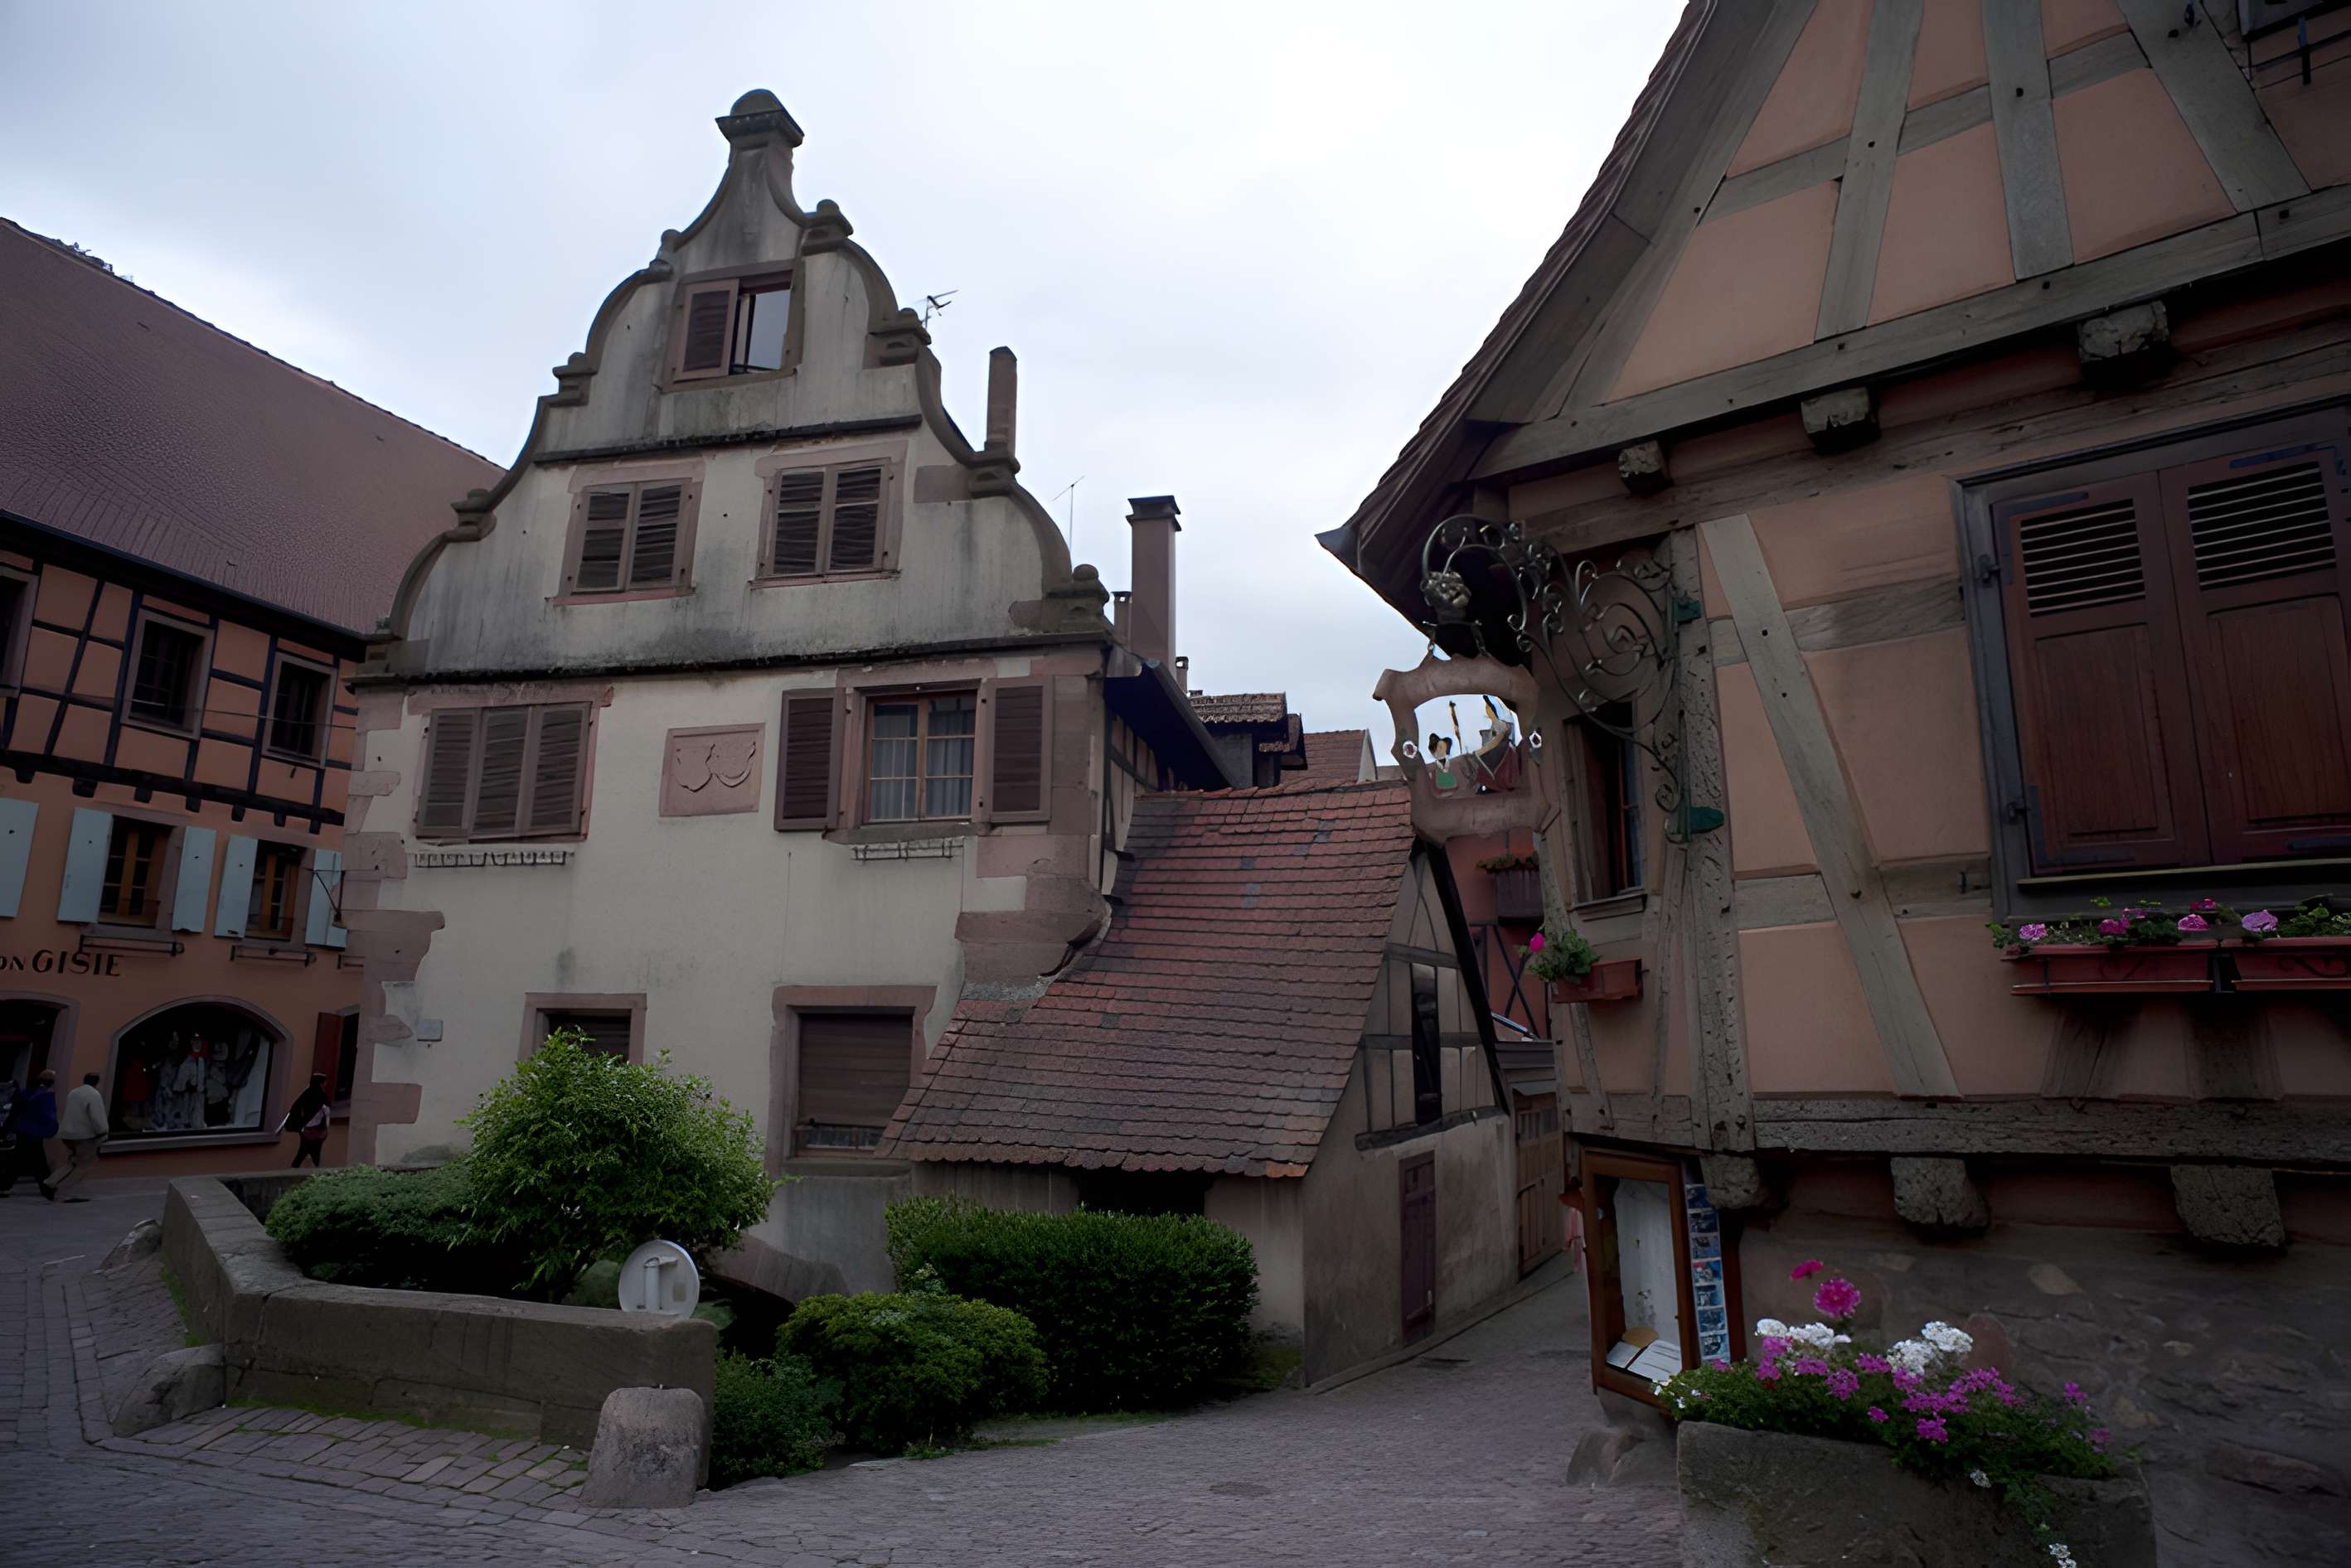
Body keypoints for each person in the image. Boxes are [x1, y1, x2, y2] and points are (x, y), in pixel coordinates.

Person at [48, 1072, 109, 1202]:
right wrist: (103, 1131)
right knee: (84, 1165)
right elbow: (97, 1116)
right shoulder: (94, 1094)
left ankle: (51, 1181)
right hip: (84, 1136)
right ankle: (65, 1192)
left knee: (73, 1161)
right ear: (97, 1082)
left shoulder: (74, 1092)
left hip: (68, 1134)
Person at [1, 1069, 60, 1198]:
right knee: (39, 1162)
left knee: (17, 1160)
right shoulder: (44, 1095)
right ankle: (47, 1188)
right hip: (34, 1133)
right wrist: (52, 1129)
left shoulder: (25, 1093)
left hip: (22, 1131)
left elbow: (14, 1113)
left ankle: (4, 1185)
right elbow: (48, 1116)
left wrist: (5, 1130)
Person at [279, 1072, 332, 1169]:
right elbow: (325, 1112)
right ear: (321, 1083)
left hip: (310, 1129)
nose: (326, 1085)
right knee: (308, 1151)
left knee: (307, 1151)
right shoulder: (319, 1096)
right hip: (312, 1129)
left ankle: (302, 1167)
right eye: (324, 1083)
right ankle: (308, 1170)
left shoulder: (306, 1094)